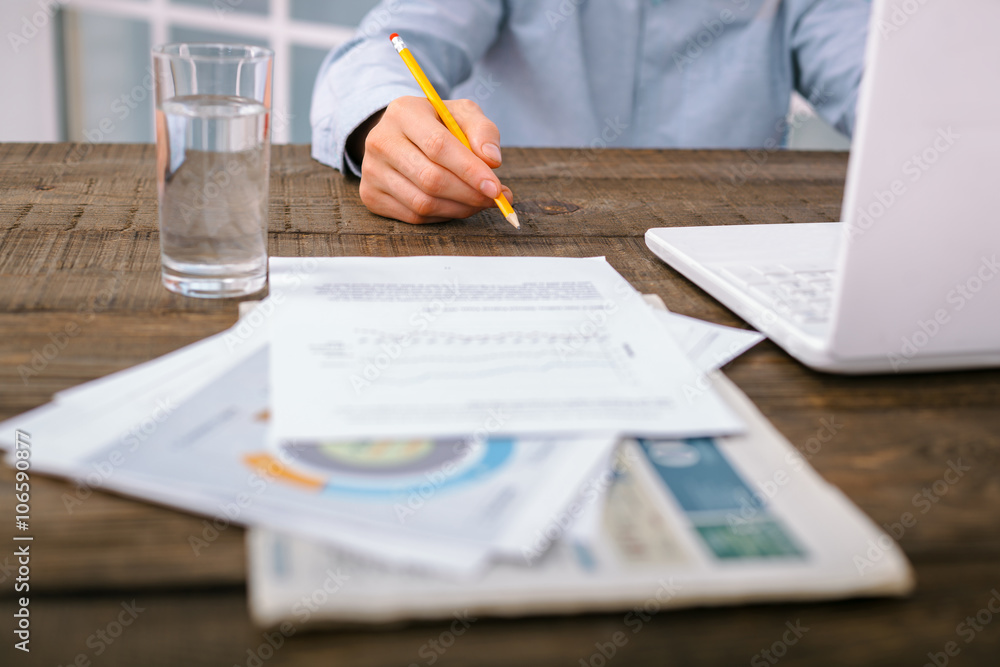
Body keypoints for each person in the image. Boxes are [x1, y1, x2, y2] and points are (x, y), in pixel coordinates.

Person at [311, 0, 870, 224]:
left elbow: (881, 82)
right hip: (523, 250)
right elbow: (378, 50)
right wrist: (379, 124)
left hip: (736, 265)